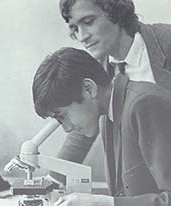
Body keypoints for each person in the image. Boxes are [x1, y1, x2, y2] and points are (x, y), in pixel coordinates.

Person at [49, 0, 171, 185]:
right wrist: (52, 181)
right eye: (75, 28)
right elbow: (82, 128)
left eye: (88, 21)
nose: (82, 36)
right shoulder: (99, 70)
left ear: (116, 11)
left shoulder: (166, 42)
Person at [32, 47, 171, 206]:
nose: (67, 129)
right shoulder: (107, 115)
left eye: (62, 116)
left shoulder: (144, 104)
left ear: (88, 89)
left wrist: (102, 203)